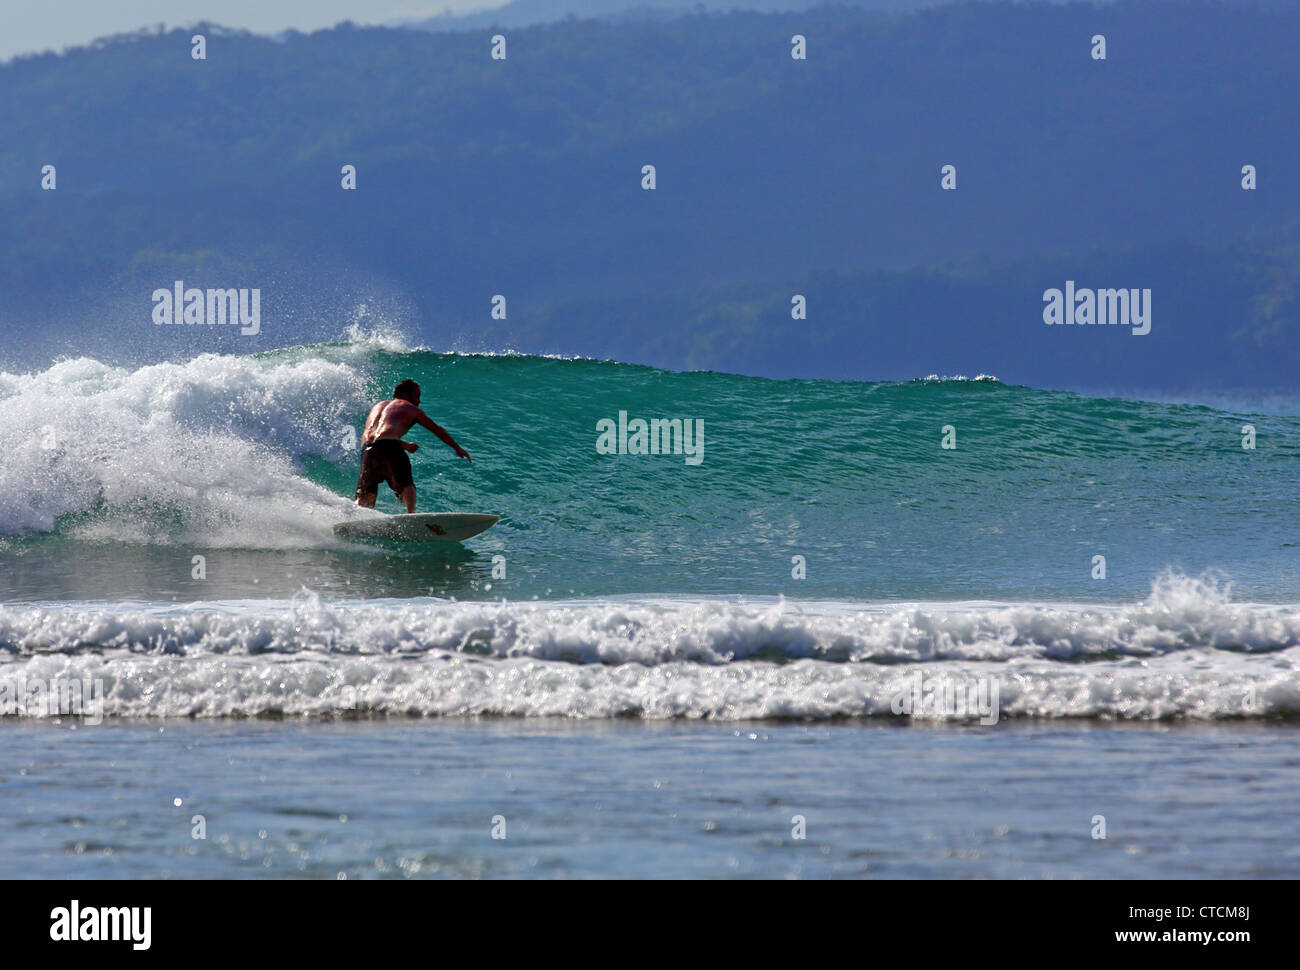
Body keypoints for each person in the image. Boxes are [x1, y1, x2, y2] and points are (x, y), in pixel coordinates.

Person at [353, 379, 470, 513]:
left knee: (367, 493)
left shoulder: (377, 407)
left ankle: (357, 516)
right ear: (406, 395)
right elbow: (436, 429)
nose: (419, 401)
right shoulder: (409, 408)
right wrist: (457, 448)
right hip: (389, 446)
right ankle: (411, 514)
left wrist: (404, 445)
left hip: (367, 450)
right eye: (417, 396)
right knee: (407, 486)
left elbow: (377, 438)